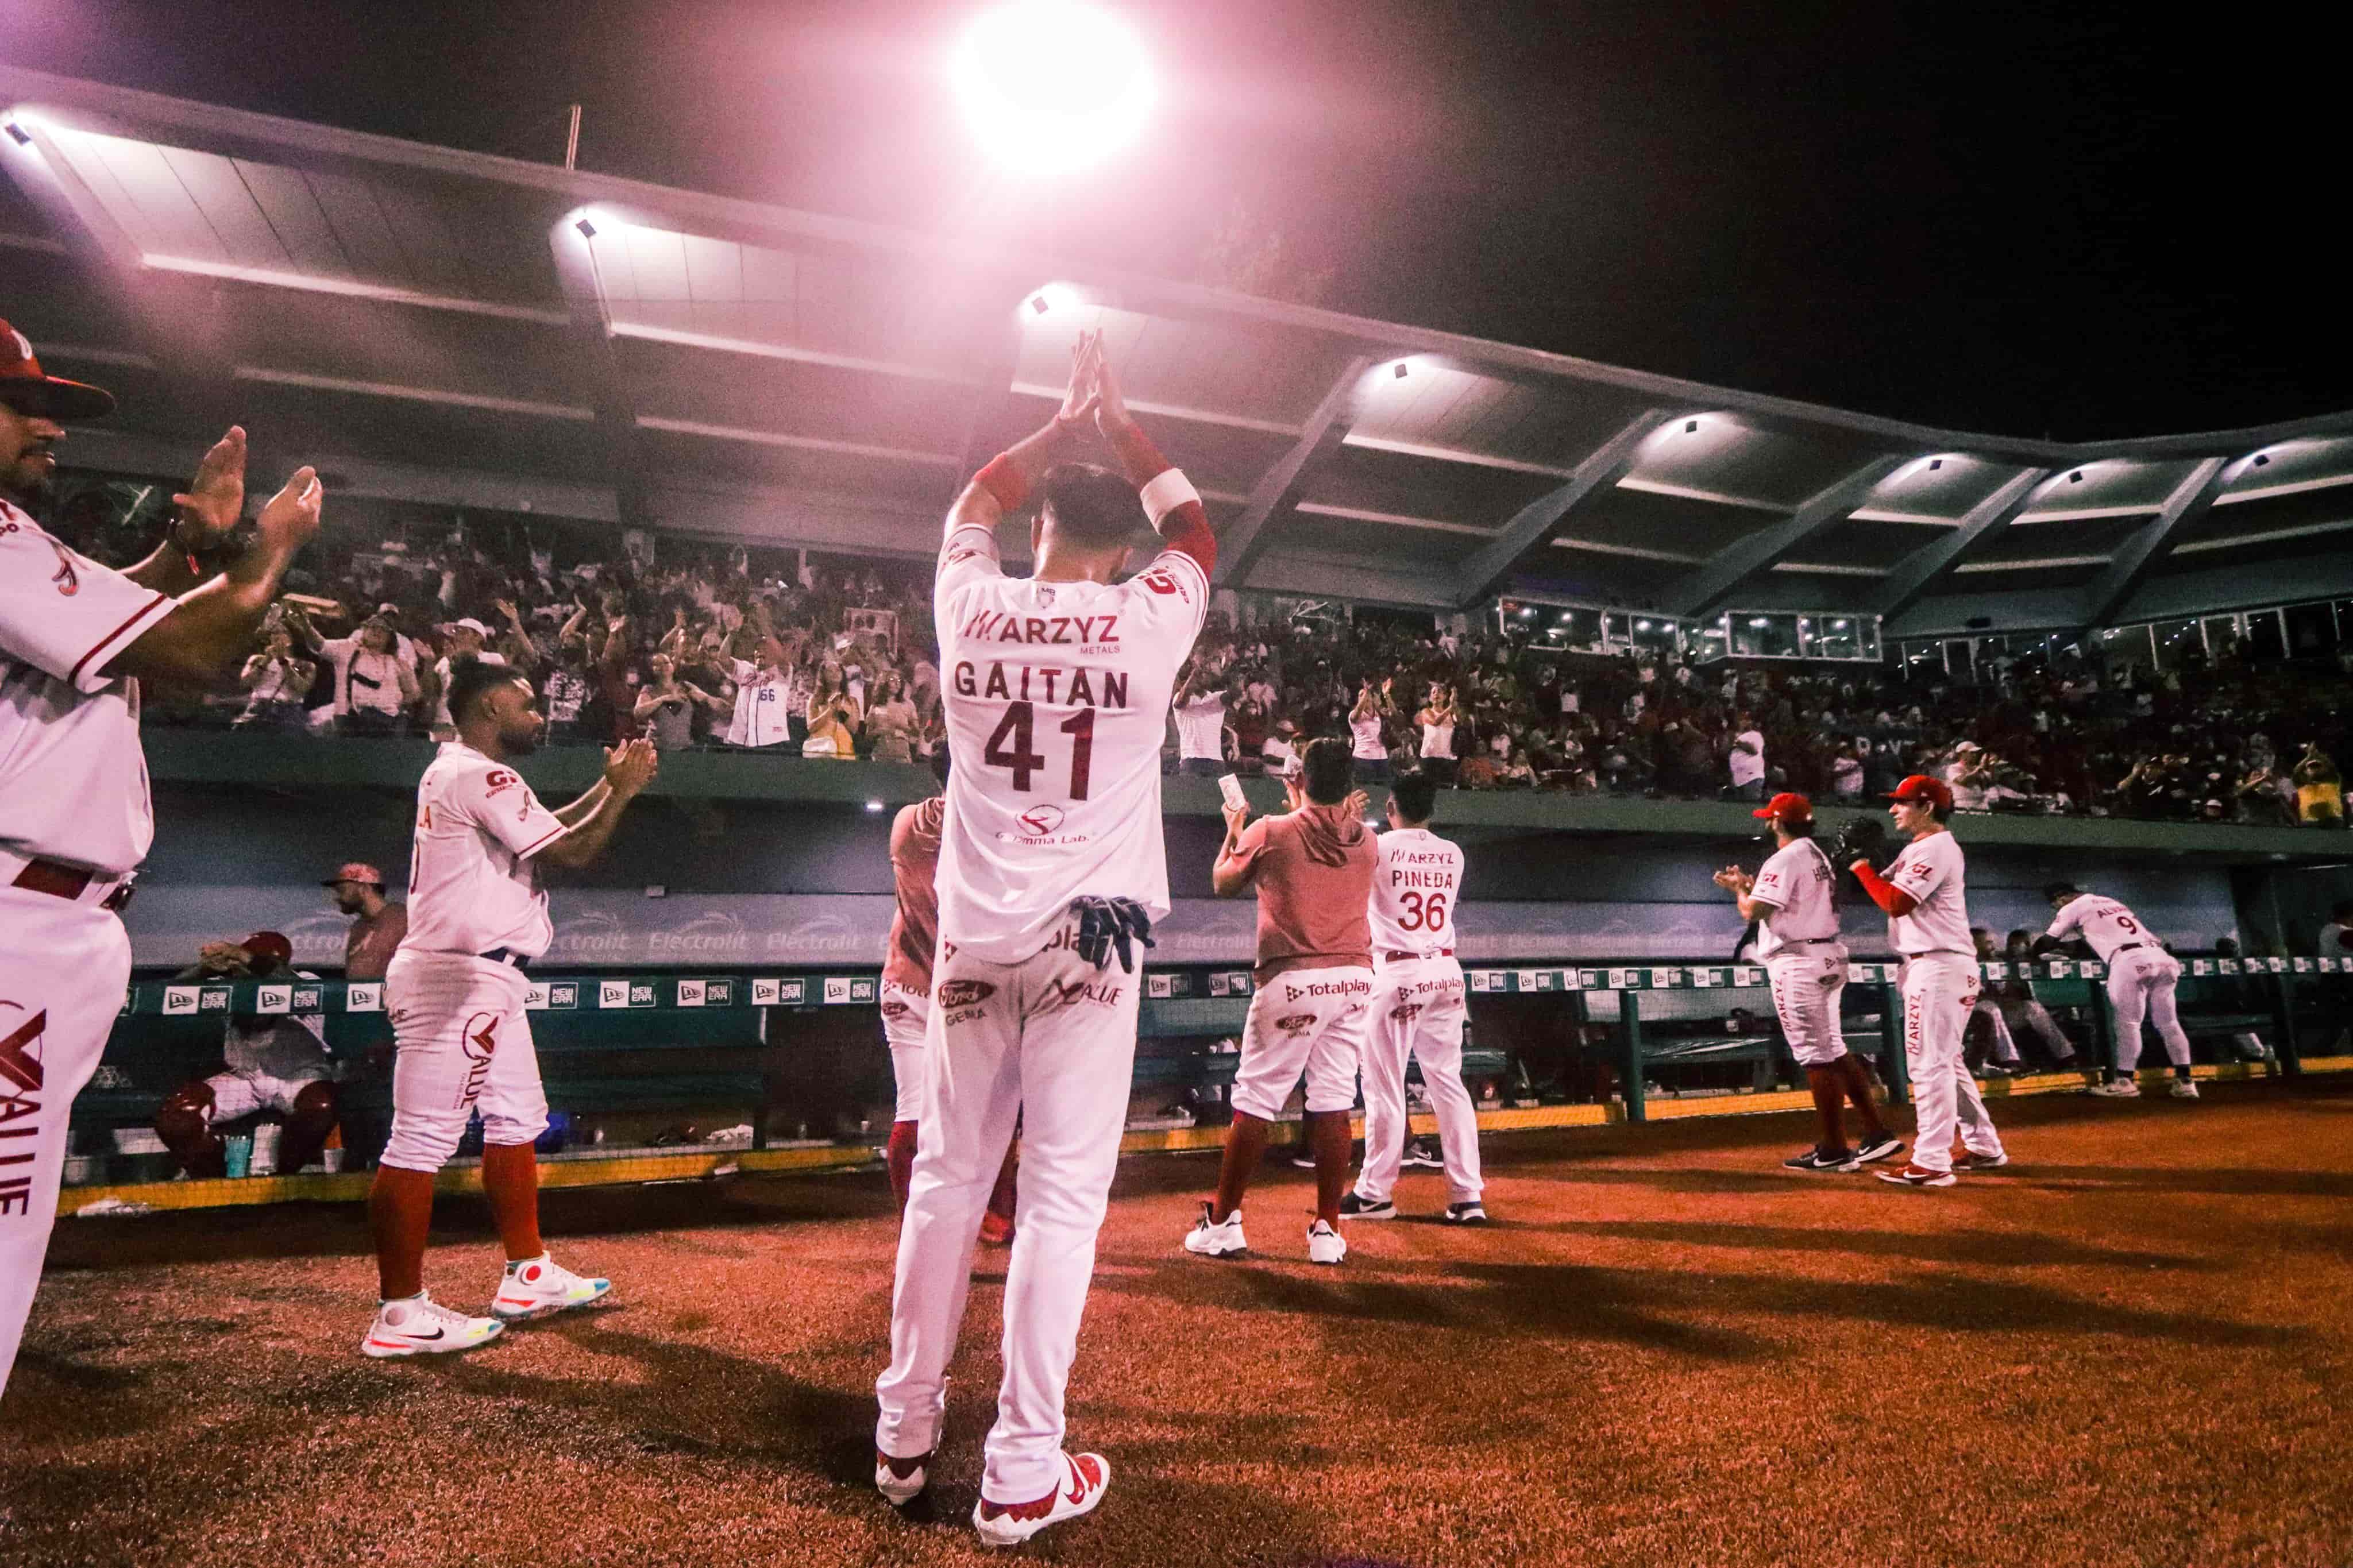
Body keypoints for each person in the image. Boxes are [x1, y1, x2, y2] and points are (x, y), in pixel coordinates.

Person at [874, 331, 1210, 1545]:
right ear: (1122, 553)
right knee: (1060, 1203)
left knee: (947, 1192)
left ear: (1036, 537)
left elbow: (971, 496)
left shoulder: (969, 600)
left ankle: (903, 1435)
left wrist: (1057, 428)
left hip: (967, 949)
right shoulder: (1146, 621)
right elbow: (1199, 537)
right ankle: (1020, 1467)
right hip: (1091, 949)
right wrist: (1120, 425)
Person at [0, 320, 323, 1397]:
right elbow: (185, 652)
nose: (48, 426)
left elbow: (124, 613)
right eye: (21, 404)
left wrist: (187, 552)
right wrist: (270, 551)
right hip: (18, 925)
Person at [361, 662, 659, 1359]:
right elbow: (580, 849)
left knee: (516, 1119)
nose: (539, 714)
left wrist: (610, 787)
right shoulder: (479, 773)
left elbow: (551, 836)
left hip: (486, 979)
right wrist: (625, 793)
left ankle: (527, 1274)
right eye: (527, 704)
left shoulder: (466, 771)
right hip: (457, 978)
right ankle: (399, 1311)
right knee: (421, 1141)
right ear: (491, 706)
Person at [1186, 736, 1375, 1264]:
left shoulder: (1268, 831)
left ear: (1300, 780)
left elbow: (1222, 883)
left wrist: (1232, 832)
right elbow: (1328, 826)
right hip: (1355, 981)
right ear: (1349, 786)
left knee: (1256, 1101)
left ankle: (1222, 1222)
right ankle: (1327, 1232)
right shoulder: (1368, 842)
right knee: (1334, 1101)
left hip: (1293, 981)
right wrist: (1312, 804)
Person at [1715, 793, 1901, 1172]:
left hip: (1798, 960)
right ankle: (1877, 1132)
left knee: (1816, 1058)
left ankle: (1834, 1148)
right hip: (1829, 953)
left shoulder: (1784, 857)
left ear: (1778, 822)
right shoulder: (1817, 854)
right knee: (1833, 1049)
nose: (1768, 823)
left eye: (1771, 819)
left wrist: (1740, 890)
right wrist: (1755, 887)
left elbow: (1755, 912)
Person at [878, 747, 1017, 1243]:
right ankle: (997, 1219)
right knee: (986, 1112)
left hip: (911, 984)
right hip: (955, 990)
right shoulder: (991, 836)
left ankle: (923, 1230)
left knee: (918, 1112)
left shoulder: (907, 823)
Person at [1846, 774, 2008, 1187]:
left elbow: (1896, 902)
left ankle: (1932, 1161)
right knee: (1946, 1063)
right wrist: (1857, 863)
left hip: (1938, 966)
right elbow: (1872, 888)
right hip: (1935, 965)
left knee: (1929, 1065)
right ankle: (1985, 1146)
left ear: (1928, 807)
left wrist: (1862, 864)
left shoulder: (1936, 847)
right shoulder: (1918, 849)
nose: (1893, 810)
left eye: (1902, 803)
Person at [1341, 768, 1486, 1223]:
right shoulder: (1453, 852)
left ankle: (1375, 1193)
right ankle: (1467, 1197)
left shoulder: (1377, 845)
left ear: (1391, 807)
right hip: (1445, 971)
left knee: (1384, 1086)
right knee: (1449, 1083)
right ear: (1432, 809)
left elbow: (1339, 865)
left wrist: (1346, 823)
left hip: (1398, 970)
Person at [152, 931, 340, 1180]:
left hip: (298, 1078)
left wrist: (247, 958)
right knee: (178, 1116)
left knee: (321, 1106)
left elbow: (289, 986)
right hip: (245, 1079)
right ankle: (214, 1185)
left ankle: (285, 1178)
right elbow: (170, 990)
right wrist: (204, 969)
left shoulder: (305, 980)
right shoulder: (231, 983)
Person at [2037, 883, 2198, 1100]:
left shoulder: (2072, 907)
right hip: (2162, 958)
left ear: (2061, 898)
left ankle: (2125, 1081)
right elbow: (2099, 939)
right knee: (2169, 1023)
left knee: (2129, 1023)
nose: (2056, 907)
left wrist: (2031, 953)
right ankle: (2186, 1081)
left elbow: (2047, 942)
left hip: (2129, 961)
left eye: (2055, 903)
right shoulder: (2111, 902)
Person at [325, 862, 407, 982]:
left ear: (364, 889)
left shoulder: (401, 917)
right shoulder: (357, 928)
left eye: (342, 890)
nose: (337, 898)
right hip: (359, 998)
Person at [1171, 661, 1229, 777]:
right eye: (1198, 676)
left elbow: (1234, 695)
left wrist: (1229, 671)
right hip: (1191, 760)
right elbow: (1180, 703)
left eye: (1203, 675)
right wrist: (1193, 677)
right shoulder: (1180, 698)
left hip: (1215, 760)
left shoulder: (1217, 697)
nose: (1200, 678)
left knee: (1217, 795)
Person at [1416, 682, 1459, 786]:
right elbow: (1435, 722)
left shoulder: (1451, 713)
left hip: (1447, 759)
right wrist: (1451, 707)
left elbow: (1461, 723)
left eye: (1439, 692)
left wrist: (1454, 706)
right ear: (1430, 698)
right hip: (1429, 758)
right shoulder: (1426, 711)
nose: (1436, 694)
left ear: (1445, 697)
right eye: (1433, 692)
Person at [1349, 681, 1391, 784]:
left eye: (1367, 695)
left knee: (1383, 792)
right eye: (1361, 695)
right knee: (1365, 794)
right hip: (1363, 759)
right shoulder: (1354, 715)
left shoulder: (1379, 714)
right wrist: (1367, 691)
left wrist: (1386, 695)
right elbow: (1359, 709)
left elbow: (1393, 715)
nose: (1365, 697)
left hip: (1382, 758)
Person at [1727, 711, 1766, 802]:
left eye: (1747, 720)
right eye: (1741, 720)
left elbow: (1754, 750)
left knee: (1751, 805)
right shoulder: (1737, 736)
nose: (1744, 722)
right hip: (1738, 777)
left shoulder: (1756, 735)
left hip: (1752, 778)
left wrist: (1737, 742)